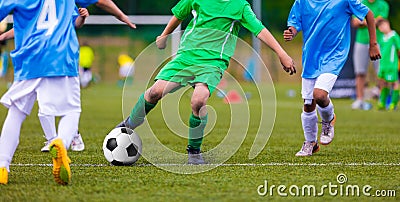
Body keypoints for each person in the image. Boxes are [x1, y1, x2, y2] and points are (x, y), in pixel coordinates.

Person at [117, 0, 295, 165]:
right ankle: (130, 124)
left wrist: (282, 53)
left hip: (212, 62)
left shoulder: (239, 6)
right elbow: (179, 14)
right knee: (155, 92)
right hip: (186, 57)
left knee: (198, 100)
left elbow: (260, 30)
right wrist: (164, 36)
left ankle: (194, 151)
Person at [0, 0, 135, 185]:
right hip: (61, 59)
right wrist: (121, 16)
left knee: (16, 113)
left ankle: (2, 166)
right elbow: (102, 1)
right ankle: (61, 143)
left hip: (29, 60)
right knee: (71, 110)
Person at [284, 0, 381, 156]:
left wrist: (373, 43)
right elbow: (295, 23)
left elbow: (368, 14)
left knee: (319, 95)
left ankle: (328, 120)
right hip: (310, 57)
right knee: (308, 104)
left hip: (334, 55)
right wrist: (291, 32)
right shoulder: (301, 1)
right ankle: (310, 143)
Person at [0, 7, 91, 153]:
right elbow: (22, 28)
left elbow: (74, 23)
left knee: (64, 105)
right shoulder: (32, 5)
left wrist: (82, 17)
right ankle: (54, 141)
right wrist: (3, 37)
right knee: (44, 106)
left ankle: (72, 136)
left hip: (59, 58)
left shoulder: (62, 4)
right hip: (36, 60)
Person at [351, 0, 389, 110]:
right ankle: (359, 99)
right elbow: (355, 22)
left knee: (381, 72)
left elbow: (380, 21)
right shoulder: (360, 3)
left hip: (378, 42)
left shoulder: (383, 4)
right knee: (360, 72)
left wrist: (363, 22)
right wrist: (372, 21)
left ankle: (382, 99)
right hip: (361, 41)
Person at [376, 19, 400, 110]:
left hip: (391, 64)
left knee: (394, 82)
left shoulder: (394, 36)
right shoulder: (381, 38)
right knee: (383, 82)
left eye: (383, 25)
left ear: (388, 24)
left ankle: (394, 103)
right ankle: (382, 102)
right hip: (383, 64)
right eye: (380, 27)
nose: (382, 28)